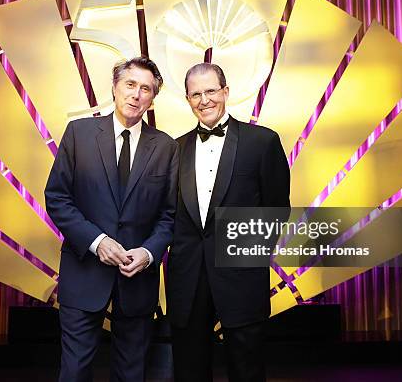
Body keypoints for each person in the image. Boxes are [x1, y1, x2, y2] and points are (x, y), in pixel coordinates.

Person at [45, 56, 178, 382]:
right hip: (83, 272)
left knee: (132, 372)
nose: (136, 94)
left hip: (138, 278)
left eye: (145, 89)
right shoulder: (79, 133)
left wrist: (148, 253)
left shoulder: (166, 147)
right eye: (130, 85)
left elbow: (170, 215)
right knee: (74, 371)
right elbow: (57, 198)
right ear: (115, 88)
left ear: (152, 98)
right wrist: (96, 241)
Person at [167, 62, 290, 382]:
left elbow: (277, 209)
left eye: (210, 91)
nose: (204, 100)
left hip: (242, 275)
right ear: (187, 99)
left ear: (226, 91)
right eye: (196, 94)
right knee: (189, 368)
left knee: (246, 366)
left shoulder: (262, 141)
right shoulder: (174, 149)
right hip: (187, 276)